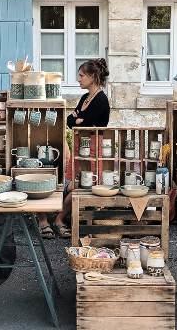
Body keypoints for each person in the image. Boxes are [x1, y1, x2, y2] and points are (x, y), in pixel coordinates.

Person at [39, 58, 110, 239]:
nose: (78, 79)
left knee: (81, 186)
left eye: (81, 75)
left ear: (93, 76)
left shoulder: (101, 100)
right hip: (79, 146)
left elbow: (86, 123)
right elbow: (71, 122)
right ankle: (59, 219)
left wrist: (79, 120)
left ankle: (60, 219)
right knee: (71, 184)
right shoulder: (85, 98)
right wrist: (78, 120)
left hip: (93, 149)